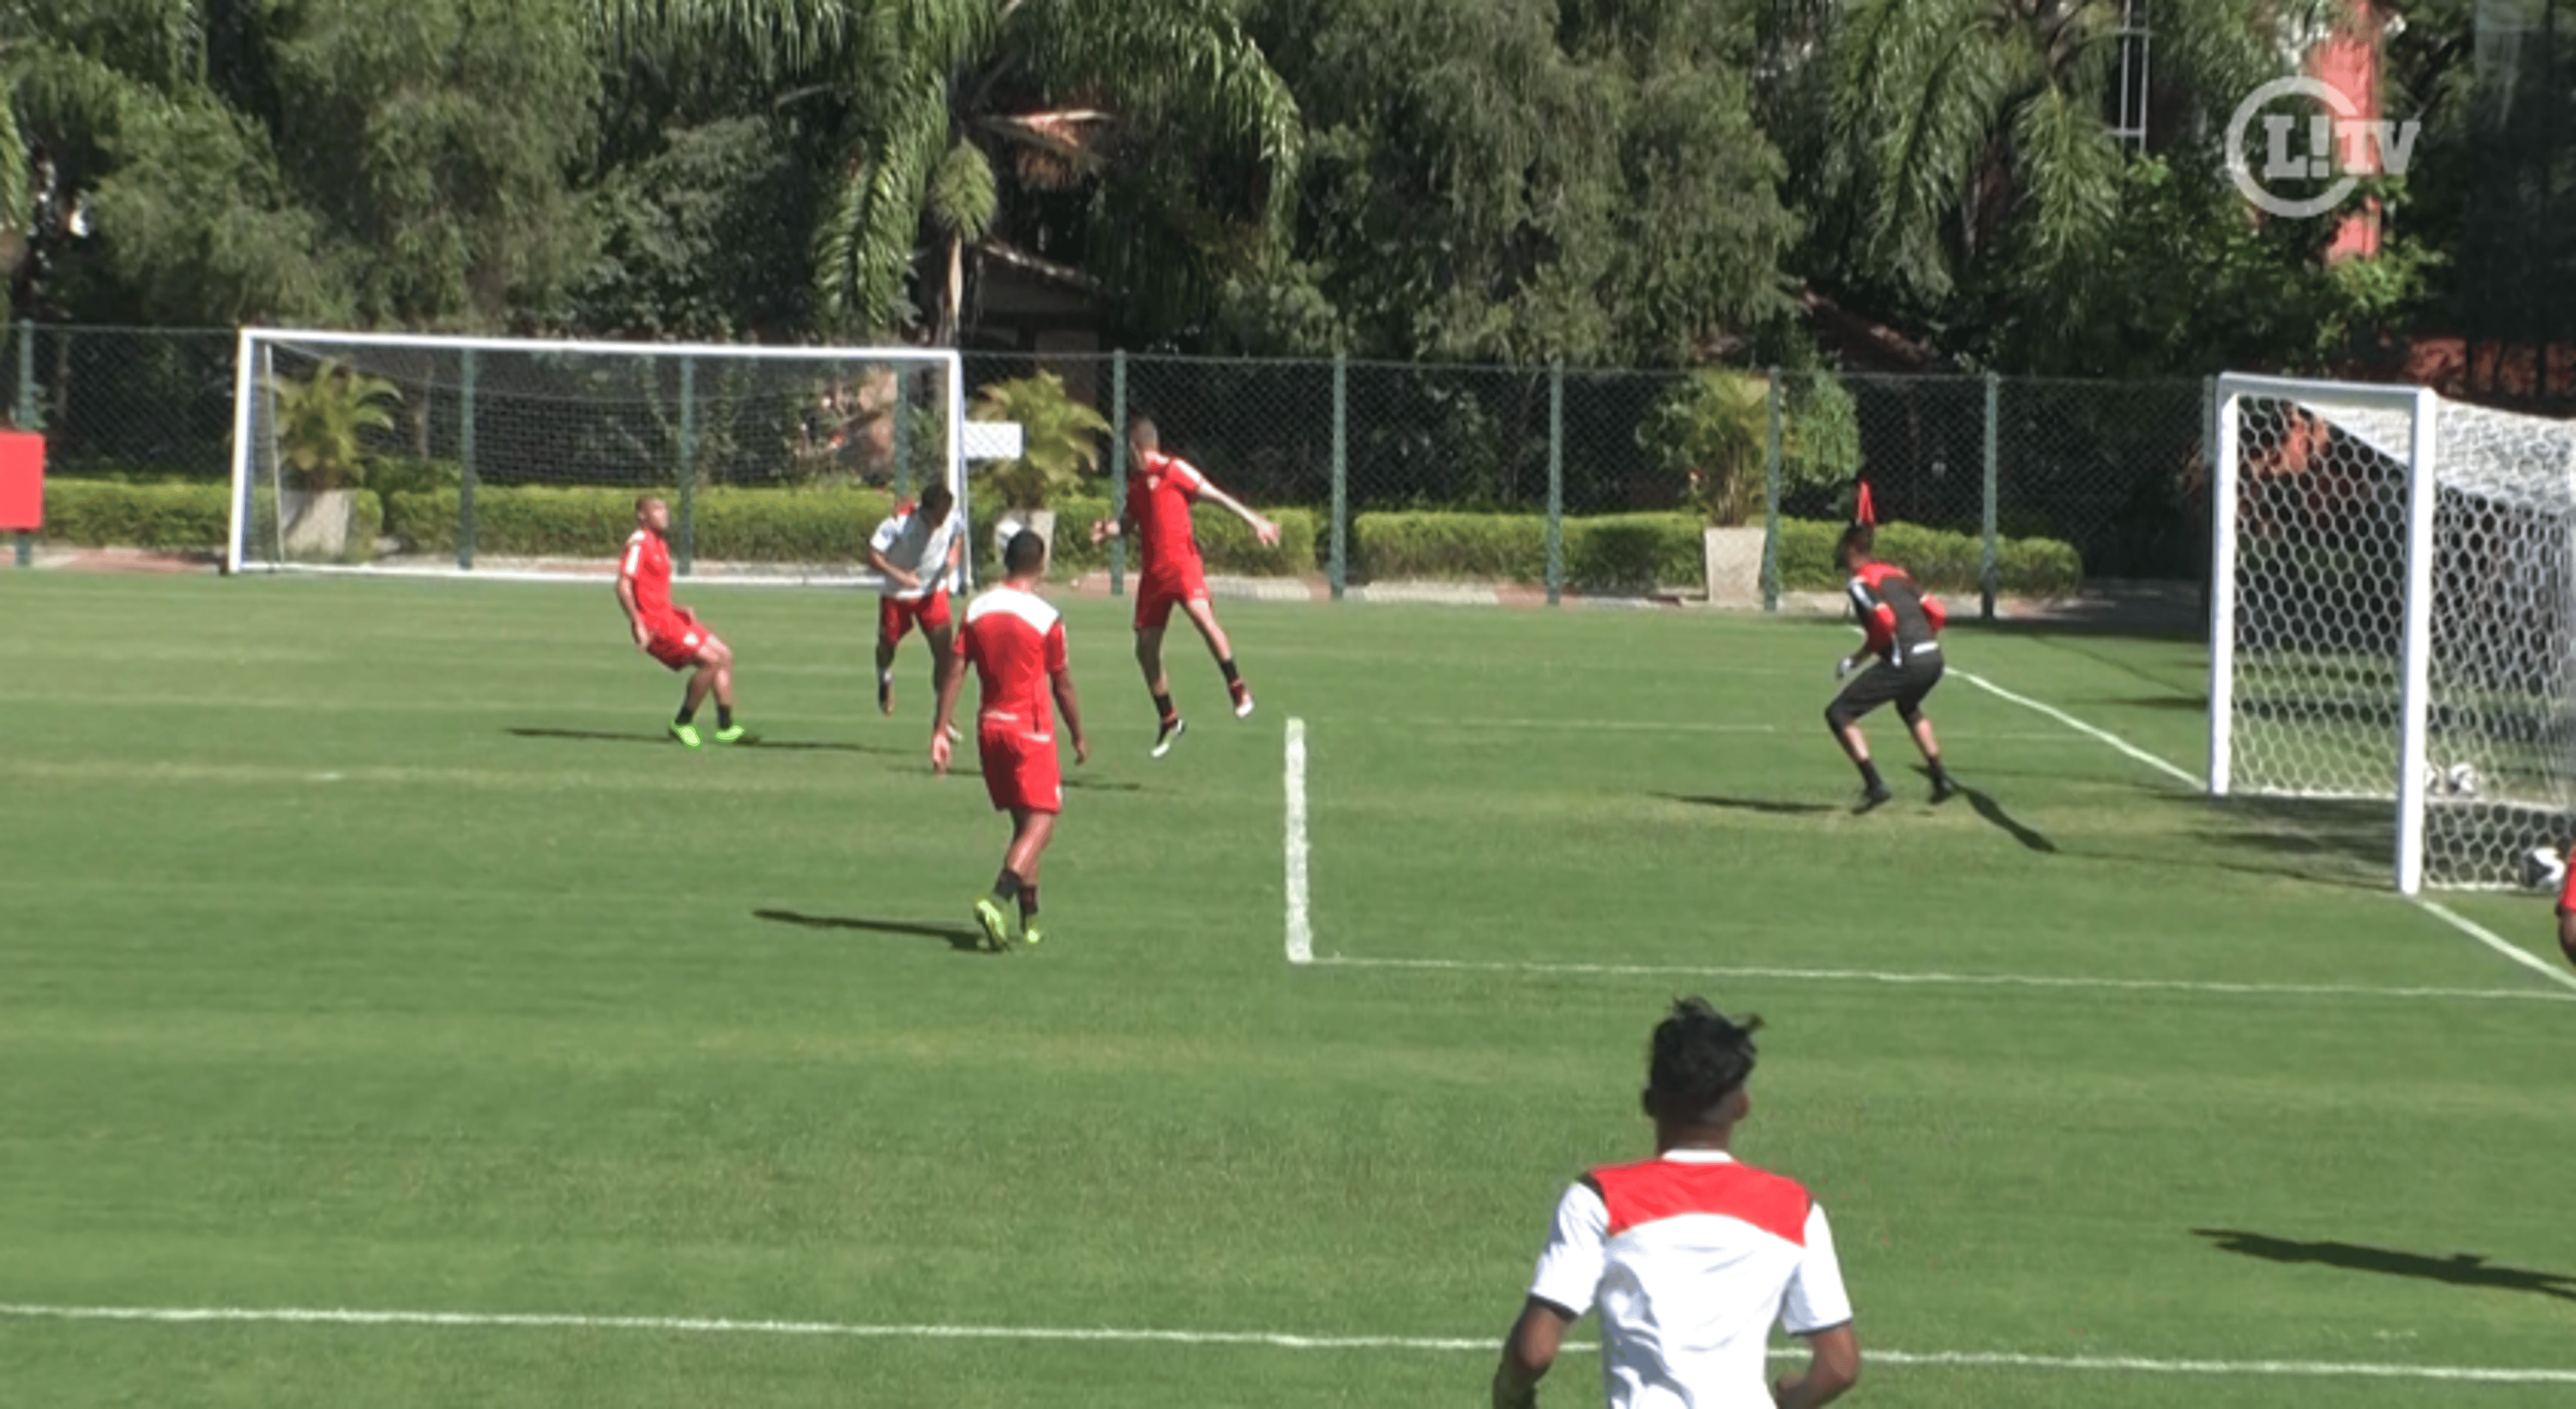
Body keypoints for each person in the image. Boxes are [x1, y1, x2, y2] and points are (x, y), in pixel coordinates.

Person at [1493, 997, 1859, 1409]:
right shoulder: (1794, 1208)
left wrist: (1509, 1396)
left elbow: (1534, 1351)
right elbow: (1839, 1365)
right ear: (1742, 1105)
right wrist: (1792, 1400)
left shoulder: (1600, 1198)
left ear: (1650, 1102)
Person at [932, 529, 1089, 952]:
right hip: (1030, 732)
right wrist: (1078, 734)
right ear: (1040, 565)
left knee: (1024, 826)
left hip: (990, 729)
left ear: (1006, 561)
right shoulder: (1046, 618)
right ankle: (997, 898)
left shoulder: (976, 608)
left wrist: (940, 729)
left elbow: (954, 671)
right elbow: (1064, 685)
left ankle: (1031, 918)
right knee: (1043, 820)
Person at [1088, 415, 1280, 757]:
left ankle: (1238, 688)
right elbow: (1127, 524)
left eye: (1128, 450)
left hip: (1183, 566)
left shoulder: (1175, 470)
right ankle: (1169, 719)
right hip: (1153, 576)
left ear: (1136, 447)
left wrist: (1255, 521)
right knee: (1145, 649)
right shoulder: (1136, 486)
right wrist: (1108, 531)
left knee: (1201, 615)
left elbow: (1216, 495)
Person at [1828, 524, 1955, 810]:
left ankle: (1874, 785)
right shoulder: (1898, 574)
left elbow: (1885, 622)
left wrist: (1857, 658)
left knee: (1839, 713)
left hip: (1907, 662)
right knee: (1908, 706)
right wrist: (1924, 639)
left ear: (1851, 549)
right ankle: (1940, 778)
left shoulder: (1860, 583)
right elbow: (1937, 611)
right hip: (1933, 658)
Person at [616, 496, 743, 748]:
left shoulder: (660, 543)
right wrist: (637, 622)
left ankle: (726, 727)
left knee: (724, 656)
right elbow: (623, 585)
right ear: (643, 515)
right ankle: (683, 722)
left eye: (665, 509)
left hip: (670, 617)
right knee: (711, 662)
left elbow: (651, 590)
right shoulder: (639, 544)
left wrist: (677, 609)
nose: (665, 514)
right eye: (657, 509)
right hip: (656, 625)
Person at [867, 482, 965, 724]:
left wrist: (954, 556)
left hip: (932, 593)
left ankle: (943, 714)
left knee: (945, 654)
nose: (942, 521)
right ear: (925, 510)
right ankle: (884, 676)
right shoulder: (900, 523)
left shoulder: (952, 518)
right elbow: (872, 555)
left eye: (945, 514)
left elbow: (958, 535)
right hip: (897, 594)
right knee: (887, 644)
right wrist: (900, 575)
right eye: (938, 516)